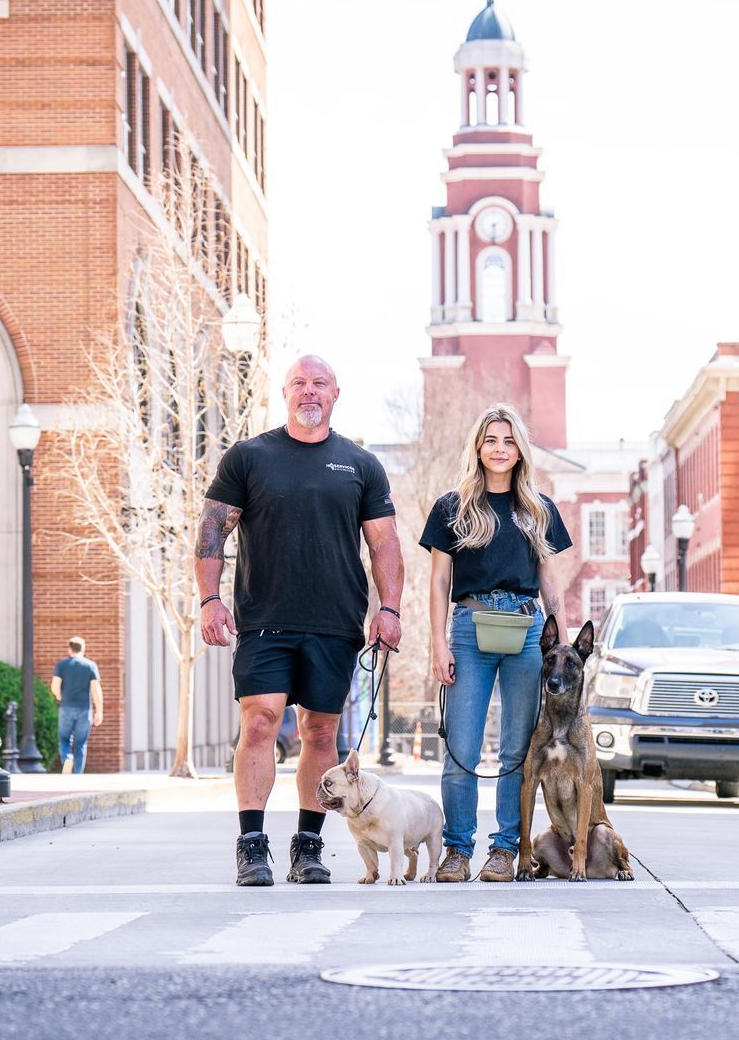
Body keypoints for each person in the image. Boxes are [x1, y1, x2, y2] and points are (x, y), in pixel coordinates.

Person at [197, 355, 403, 887]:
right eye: (299, 384)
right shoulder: (249, 457)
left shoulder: (360, 465)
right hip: (264, 618)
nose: (309, 393)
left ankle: (308, 847)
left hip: (334, 622)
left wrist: (390, 609)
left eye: (319, 385)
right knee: (261, 721)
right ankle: (251, 845)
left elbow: (384, 544)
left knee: (320, 730)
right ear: (284, 393)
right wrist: (208, 600)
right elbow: (212, 533)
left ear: (336, 394)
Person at [421, 403, 571, 882]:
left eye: (508, 440)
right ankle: (457, 850)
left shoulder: (539, 509)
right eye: (491, 440)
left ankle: (506, 849)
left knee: (517, 749)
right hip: (469, 628)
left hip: (527, 632)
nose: (500, 449)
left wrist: (562, 643)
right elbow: (439, 581)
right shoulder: (453, 507)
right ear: (478, 447)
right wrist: (437, 644)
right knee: (461, 748)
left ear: (520, 449)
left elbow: (550, 581)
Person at [50, 636, 102, 774]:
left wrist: (59, 696)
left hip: (66, 707)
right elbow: (96, 689)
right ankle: (77, 774)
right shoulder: (90, 665)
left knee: (64, 739)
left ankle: (67, 758)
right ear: (83, 649)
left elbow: (55, 685)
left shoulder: (62, 665)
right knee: (81, 743)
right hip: (85, 709)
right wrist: (99, 711)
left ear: (70, 649)